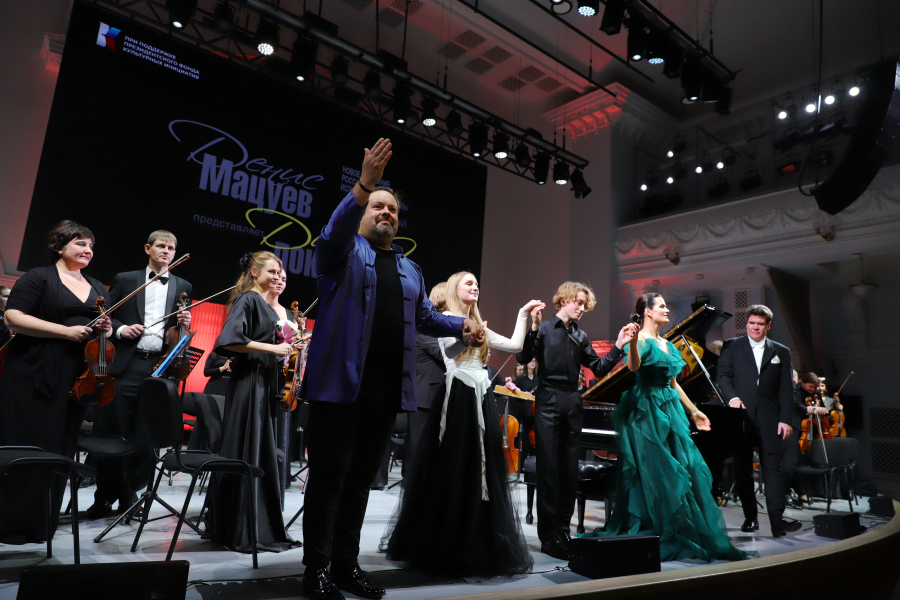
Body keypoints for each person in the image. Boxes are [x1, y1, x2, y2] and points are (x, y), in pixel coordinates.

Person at [299, 138, 482, 600]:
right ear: (362, 213)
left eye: (393, 210)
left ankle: (345, 565)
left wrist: (462, 326)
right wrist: (364, 185)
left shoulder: (410, 269)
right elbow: (332, 232)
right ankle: (315, 569)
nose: (386, 213)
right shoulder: (341, 253)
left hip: (383, 391)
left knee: (361, 482)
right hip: (338, 387)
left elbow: (425, 318)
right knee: (328, 481)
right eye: (378, 206)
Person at [382, 271, 541, 577]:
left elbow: (514, 344)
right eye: (469, 283)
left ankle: (475, 538)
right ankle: (446, 539)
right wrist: (466, 338)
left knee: (478, 467)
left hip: (480, 392)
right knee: (454, 464)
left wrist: (523, 314)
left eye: (477, 283)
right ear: (455, 288)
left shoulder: (478, 322)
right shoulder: (446, 319)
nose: (475, 286)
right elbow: (449, 354)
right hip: (458, 392)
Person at [602, 293, 754, 562]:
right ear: (647, 312)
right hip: (646, 411)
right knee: (654, 472)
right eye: (661, 306)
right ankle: (654, 530)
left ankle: (678, 529)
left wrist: (694, 411)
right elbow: (633, 367)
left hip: (670, 408)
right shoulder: (641, 339)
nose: (666, 310)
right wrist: (633, 342)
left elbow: (674, 383)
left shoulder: (668, 344)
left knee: (680, 468)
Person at [0, 221, 111, 543]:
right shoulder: (38, 277)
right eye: (80, 243)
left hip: (75, 378)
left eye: (91, 245)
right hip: (33, 371)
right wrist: (65, 332)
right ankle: (8, 524)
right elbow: (13, 317)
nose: (88, 250)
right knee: (26, 442)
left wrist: (106, 329)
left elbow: (105, 329)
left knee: (59, 448)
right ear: (60, 247)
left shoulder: (98, 287)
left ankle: (40, 525)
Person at [516, 281, 634, 560]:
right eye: (578, 302)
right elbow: (523, 356)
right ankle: (548, 536)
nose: (582, 308)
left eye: (584, 304)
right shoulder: (544, 328)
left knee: (569, 470)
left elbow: (599, 368)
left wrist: (618, 345)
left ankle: (563, 530)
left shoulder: (580, 336)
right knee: (549, 469)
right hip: (548, 398)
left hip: (573, 401)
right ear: (563, 301)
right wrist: (532, 328)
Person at [87, 230, 192, 519]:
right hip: (126, 365)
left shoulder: (183, 285)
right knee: (113, 432)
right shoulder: (126, 279)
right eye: (161, 246)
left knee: (145, 438)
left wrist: (185, 321)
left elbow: (180, 332)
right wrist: (121, 329)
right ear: (148, 248)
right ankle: (104, 496)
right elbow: (106, 315)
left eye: (171, 248)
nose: (167, 251)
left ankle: (131, 497)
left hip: (158, 368)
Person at [206, 251, 299, 553]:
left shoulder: (267, 305)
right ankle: (239, 526)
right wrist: (274, 349)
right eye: (271, 271)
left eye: (280, 273)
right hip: (250, 383)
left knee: (258, 450)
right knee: (247, 448)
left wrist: (288, 345)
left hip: (263, 382)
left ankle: (252, 523)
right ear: (254, 272)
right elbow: (229, 341)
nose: (277, 277)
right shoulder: (247, 299)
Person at [718, 304, 800, 537]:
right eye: (752, 323)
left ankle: (777, 522)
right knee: (742, 469)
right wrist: (732, 398)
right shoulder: (731, 346)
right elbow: (723, 376)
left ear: (768, 326)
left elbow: (786, 388)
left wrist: (786, 419)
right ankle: (751, 518)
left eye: (760, 324)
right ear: (747, 324)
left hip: (770, 418)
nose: (755, 327)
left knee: (773, 469)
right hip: (741, 417)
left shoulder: (781, 351)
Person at [409, 282, 449, 475]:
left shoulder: (443, 327)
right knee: (420, 445)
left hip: (438, 393)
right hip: (425, 395)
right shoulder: (427, 327)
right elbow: (443, 354)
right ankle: (414, 484)